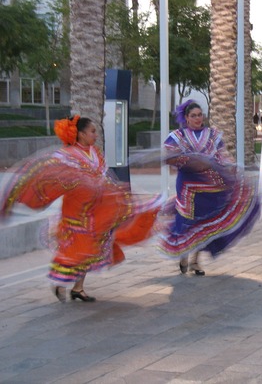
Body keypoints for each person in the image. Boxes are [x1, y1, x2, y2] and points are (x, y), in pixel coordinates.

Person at [0, 116, 161, 302]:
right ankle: (59, 281)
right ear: (81, 134)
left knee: (90, 249)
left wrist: (118, 193)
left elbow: (104, 178)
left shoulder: (95, 153)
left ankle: (78, 288)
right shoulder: (67, 155)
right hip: (76, 211)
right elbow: (52, 176)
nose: (95, 134)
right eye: (92, 131)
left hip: (96, 211)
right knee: (75, 248)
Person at [159, 100, 261, 275]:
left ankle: (195, 262)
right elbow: (169, 157)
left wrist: (230, 166)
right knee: (186, 219)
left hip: (208, 184)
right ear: (186, 118)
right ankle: (184, 253)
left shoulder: (212, 135)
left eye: (200, 115)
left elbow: (222, 155)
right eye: (194, 116)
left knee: (203, 220)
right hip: (187, 184)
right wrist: (189, 162)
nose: (198, 118)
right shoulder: (178, 136)